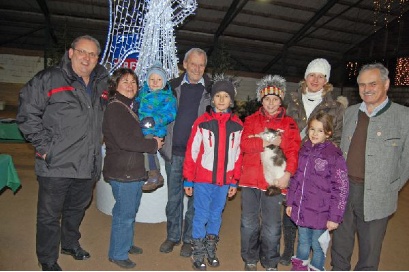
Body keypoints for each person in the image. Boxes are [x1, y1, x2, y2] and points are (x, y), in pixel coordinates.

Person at [16, 35, 108, 271]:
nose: (86, 58)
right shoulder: (49, 79)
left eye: (92, 54)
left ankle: (69, 243)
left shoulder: (101, 83)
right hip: (57, 163)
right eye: (82, 52)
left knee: (77, 208)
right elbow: (27, 113)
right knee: (49, 214)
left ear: (98, 58)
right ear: (70, 53)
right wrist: (46, 148)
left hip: (87, 163)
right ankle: (47, 259)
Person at [331, 63, 409, 271]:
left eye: (372, 84)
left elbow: (407, 161)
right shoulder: (350, 112)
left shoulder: (404, 117)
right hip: (345, 189)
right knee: (340, 242)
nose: (367, 89)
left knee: (370, 250)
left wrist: (390, 187)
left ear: (386, 84)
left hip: (378, 195)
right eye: (362, 85)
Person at [282, 58, 346, 266]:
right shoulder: (293, 101)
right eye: (312, 75)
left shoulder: (334, 107)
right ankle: (290, 252)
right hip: (295, 162)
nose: (315, 79)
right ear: (305, 77)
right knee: (293, 209)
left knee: (316, 235)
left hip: (319, 168)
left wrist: (322, 158)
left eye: (321, 76)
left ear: (326, 80)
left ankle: (315, 264)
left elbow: (337, 139)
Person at [102, 68, 164, 269]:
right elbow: (125, 141)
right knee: (124, 214)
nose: (130, 86)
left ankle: (125, 244)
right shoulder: (115, 108)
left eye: (133, 82)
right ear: (115, 85)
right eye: (125, 81)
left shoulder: (129, 106)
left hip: (133, 170)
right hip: (123, 171)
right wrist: (153, 145)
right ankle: (117, 254)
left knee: (130, 210)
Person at [239, 75, 301, 271]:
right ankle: (250, 258)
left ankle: (270, 261)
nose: (271, 103)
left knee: (272, 226)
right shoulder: (250, 120)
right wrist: (266, 142)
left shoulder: (289, 124)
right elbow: (244, 144)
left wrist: (288, 174)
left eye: (275, 99)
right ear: (261, 100)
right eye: (267, 99)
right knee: (249, 222)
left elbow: (293, 151)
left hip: (274, 181)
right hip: (250, 179)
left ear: (281, 100)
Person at [183, 76, 243, 270]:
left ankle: (210, 247)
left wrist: (234, 181)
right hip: (203, 179)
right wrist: (188, 180)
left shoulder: (238, 125)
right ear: (212, 99)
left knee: (216, 214)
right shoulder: (201, 123)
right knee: (201, 214)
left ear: (231, 100)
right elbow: (192, 153)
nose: (222, 99)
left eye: (226, 96)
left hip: (224, 181)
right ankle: (197, 250)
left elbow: (237, 156)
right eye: (218, 95)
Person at [159, 48, 211, 257]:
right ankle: (172, 236)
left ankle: (189, 239)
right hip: (175, 152)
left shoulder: (212, 90)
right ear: (185, 64)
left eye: (201, 65)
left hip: (199, 157)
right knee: (174, 199)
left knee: (195, 201)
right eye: (193, 64)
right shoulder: (170, 87)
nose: (197, 68)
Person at [286, 111, 349, 271]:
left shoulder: (333, 155)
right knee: (303, 241)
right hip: (301, 208)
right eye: (312, 129)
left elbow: (341, 188)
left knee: (318, 244)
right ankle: (300, 266)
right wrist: (290, 202)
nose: (315, 133)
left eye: (320, 130)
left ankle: (316, 267)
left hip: (322, 212)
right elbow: (295, 179)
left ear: (328, 133)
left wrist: (335, 217)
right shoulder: (304, 150)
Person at [135, 61, 177, 191]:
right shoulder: (142, 93)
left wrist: (155, 120)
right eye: (152, 79)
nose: (155, 82)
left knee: (148, 145)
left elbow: (170, 114)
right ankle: (146, 172)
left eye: (159, 79)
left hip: (155, 128)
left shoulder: (167, 97)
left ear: (164, 82)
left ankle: (154, 172)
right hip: (142, 127)